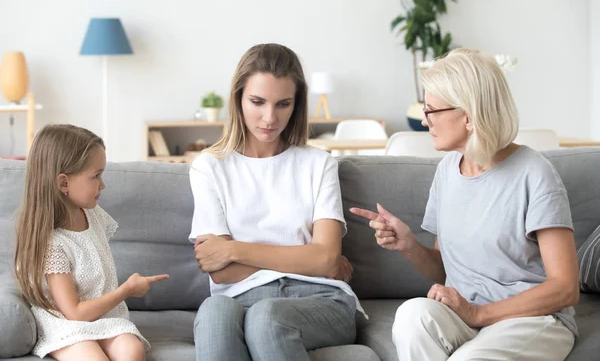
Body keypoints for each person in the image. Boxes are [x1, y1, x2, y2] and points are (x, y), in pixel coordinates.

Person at [351, 49, 579, 361]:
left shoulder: (534, 173)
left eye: (431, 111)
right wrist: (408, 245)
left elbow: (565, 288)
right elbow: (445, 268)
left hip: (530, 319)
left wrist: (479, 313)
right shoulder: (447, 171)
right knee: (412, 315)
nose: (424, 119)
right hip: (465, 315)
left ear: (468, 116)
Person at [190, 43, 360, 361]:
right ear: (238, 98)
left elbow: (325, 260)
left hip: (321, 300)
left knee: (267, 318)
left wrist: (233, 249)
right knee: (214, 310)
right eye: (257, 102)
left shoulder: (319, 163)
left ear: (296, 105)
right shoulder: (209, 166)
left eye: (283, 104)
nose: (270, 118)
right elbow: (221, 273)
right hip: (238, 299)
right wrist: (307, 257)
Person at [14, 124, 169, 360]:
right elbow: (74, 312)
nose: (103, 185)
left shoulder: (94, 215)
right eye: (96, 176)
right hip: (67, 323)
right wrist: (126, 290)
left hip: (105, 316)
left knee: (132, 350)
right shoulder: (52, 245)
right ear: (63, 183)